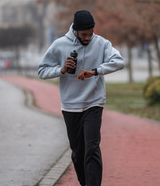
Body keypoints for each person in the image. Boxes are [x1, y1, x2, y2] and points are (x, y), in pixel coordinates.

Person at [38, 10, 124, 186]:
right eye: (84, 35)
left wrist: (95, 71)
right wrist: (61, 70)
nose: (88, 38)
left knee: (91, 149)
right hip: (70, 106)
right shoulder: (60, 45)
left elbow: (119, 61)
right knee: (78, 152)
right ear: (75, 31)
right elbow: (42, 71)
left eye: (91, 34)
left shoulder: (101, 43)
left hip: (94, 103)